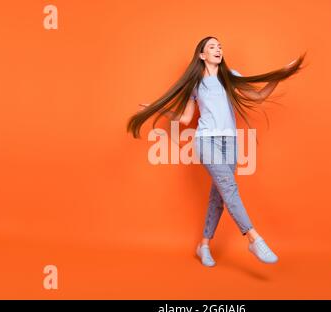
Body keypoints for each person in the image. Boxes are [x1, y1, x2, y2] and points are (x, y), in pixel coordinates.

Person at [128, 36, 306, 267]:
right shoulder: (196, 83)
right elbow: (185, 118)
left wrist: (281, 76)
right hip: (206, 141)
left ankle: (203, 245)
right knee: (230, 189)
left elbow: (259, 96)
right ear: (202, 55)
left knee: (219, 198)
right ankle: (253, 238)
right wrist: (157, 108)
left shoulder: (231, 77)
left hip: (230, 143)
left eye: (219, 46)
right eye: (212, 47)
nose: (218, 49)